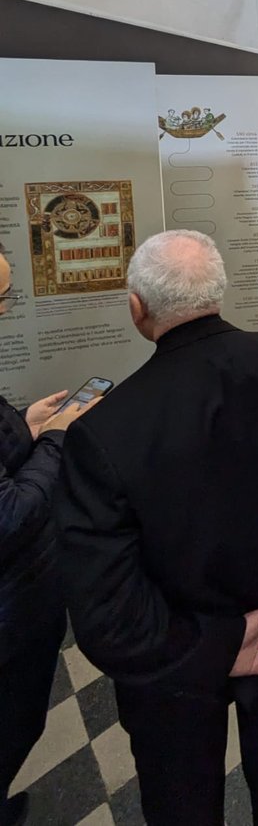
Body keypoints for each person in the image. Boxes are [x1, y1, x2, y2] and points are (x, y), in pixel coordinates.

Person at [55, 231, 258, 826]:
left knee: (184, 805)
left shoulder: (103, 432)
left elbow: (106, 614)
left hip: (175, 654)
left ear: (137, 308)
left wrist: (221, 643)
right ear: (217, 292)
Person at [0, 254, 97, 826]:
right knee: (14, 719)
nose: (6, 310)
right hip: (10, 609)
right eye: (3, 298)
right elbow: (9, 514)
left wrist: (24, 423)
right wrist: (56, 439)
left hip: (20, 596)